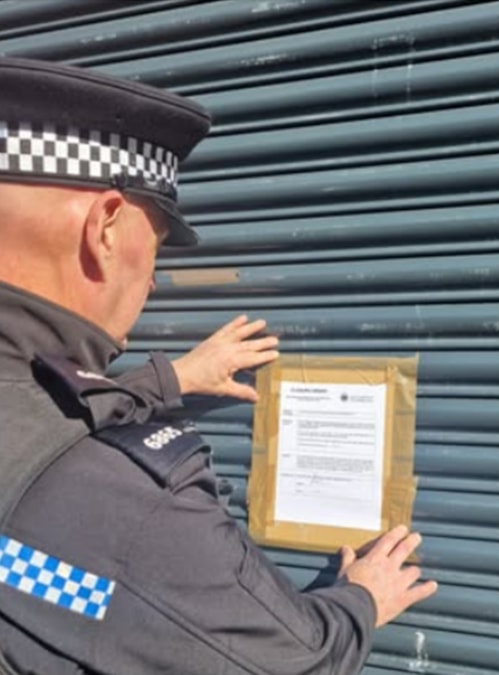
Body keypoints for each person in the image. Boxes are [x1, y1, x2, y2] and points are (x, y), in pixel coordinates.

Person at [0, 57, 436, 674]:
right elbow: (286, 661)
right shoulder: (134, 507)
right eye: (154, 244)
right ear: (106, 226)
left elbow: (36, 430)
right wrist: (362, 600)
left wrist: (171, 380)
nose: (152, 278)